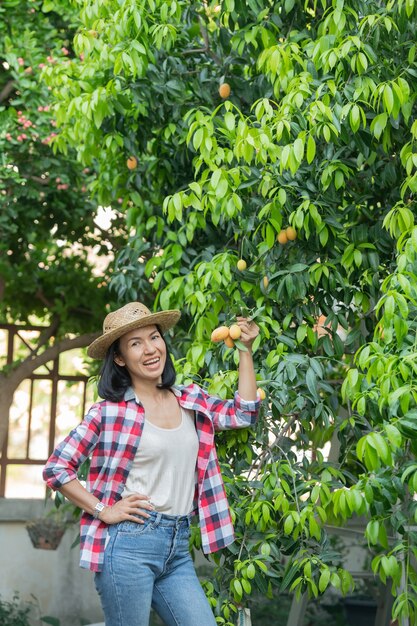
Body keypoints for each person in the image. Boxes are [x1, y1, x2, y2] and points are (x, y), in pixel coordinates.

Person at [43, 301, 260, 626]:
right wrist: (104, 509)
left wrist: (245, 350)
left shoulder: (188, 398)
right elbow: (57, 468)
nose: (150, 349)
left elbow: (243, 413)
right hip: (128, 545)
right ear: (119, 357)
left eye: (154, 337)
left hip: (176, 546)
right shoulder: (109, 412)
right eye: (135, 343)